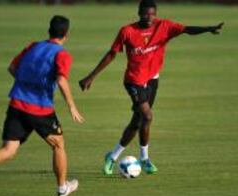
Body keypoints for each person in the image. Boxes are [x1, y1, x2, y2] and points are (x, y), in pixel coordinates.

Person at [79, 0, 223, 176]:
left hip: (153, 79)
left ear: (156, 14)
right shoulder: (127, 31)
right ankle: (144, 158)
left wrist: (208, 29)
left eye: (152, 14)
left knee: (138, 122)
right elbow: (112, 54)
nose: (149, 17)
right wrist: (91, 76)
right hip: (134, 81)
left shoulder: (164, 26)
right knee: (147, 115)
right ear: (139, 13)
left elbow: (186, 29)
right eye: (146, 14)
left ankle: (113, 156)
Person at [0, 15, 84, 196]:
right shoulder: (62, 54)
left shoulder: (33, 46)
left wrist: (26, 86)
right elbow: (61, 80)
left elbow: (12, 68)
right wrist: (72, 106)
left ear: (50, 30)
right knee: (58, 144)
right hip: (40, 109)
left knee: (9, 149)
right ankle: (62, 188)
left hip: (16, 104)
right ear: (66, 34)